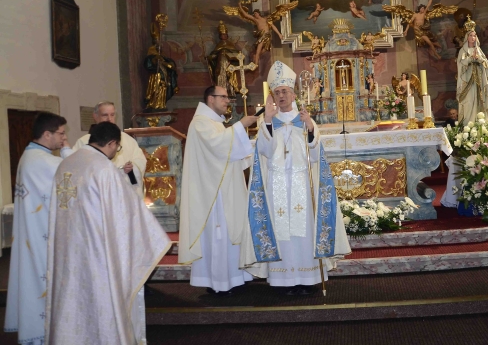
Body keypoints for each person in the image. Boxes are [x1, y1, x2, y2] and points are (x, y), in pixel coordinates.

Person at [45, 122, 170, 344]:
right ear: (112, 143)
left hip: (67, 251)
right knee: (100, 300)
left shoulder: (67, 163)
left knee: (72, 298)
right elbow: (126, 213)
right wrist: (154, 237)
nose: (116, 152)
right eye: (117, 148)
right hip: (96, 252)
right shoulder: (103, 169)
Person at [240, 61, 351, 295]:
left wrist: (310, 129)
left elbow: (315, 155)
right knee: (282, 232)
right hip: (278, 184)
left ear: (293, 94)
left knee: (304, 231)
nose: (281, 96)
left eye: (285, 91)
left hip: (302, 183)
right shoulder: (267, 122)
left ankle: (307, 279)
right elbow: (264, 151)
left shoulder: (305, 119)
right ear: (273, 97)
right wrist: (267, 121)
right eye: (277, 92)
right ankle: (284, 280)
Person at [178, 86, 258, 295]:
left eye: (227, 97)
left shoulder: (214, 123)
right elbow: (219, 146)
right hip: (212, 194)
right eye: (223, 97)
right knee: (219, 236)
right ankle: (220, 283)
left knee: (229, 234)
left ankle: (235, 278)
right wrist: (242, 125)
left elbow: (228, 151)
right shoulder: (200, 123)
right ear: (210, 99)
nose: (227, 101)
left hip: (224, 189)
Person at [4, 112, 72, 345]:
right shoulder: (43, 161)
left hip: (34, 233)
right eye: (61, 134)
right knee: (42, 282)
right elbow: (75, 175)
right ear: (47, 134)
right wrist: (67, 151)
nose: (64, 138)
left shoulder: (30, 155)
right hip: (43, 236)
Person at [73, 101, 147, 200]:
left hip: (123, 196)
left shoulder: (128, 140)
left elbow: (140, 161)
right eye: (105, 115)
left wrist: (130, 170)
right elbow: (76, 169)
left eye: (112, 115)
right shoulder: (83, 142)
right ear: (95, 116)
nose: (109, 119)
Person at [456, 18, 488, 124]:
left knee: (480, 99)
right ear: (467, 37)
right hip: (468, 81)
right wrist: (471, 58)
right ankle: (469, 122)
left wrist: (479, 59)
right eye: (471, 35)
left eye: (474, 35)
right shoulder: (463, 50)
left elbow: (486, 63)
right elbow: (461, 64)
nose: (473, 37)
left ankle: (480, 122)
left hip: (479, 80)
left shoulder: (479, 50)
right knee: (469, 100)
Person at [144, 22, 179, 110]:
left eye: (160, 41)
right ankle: (153, 104)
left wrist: (169, 64)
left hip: (164, 77)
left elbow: (167, 62)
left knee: (163, 90)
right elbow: (149, 62)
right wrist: (155, 59)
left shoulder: (162, 53)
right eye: (158, 40)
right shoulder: (152, 50)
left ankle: (161, 105)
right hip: (157, 75)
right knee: (156, 89)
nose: (160, 43)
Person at [207, 20, 240, 97]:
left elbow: (236, 54)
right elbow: (214, 55)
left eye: (224, 34)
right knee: (219, 77)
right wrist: (209, 57)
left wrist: (230, 56)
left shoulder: (230, 44)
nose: (223, 36)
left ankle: (230, 91)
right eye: (222, 34)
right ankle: (220, 93)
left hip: (228, 65)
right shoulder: (219, 44)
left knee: (230, 77)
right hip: (220, 65)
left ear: (227, 35)